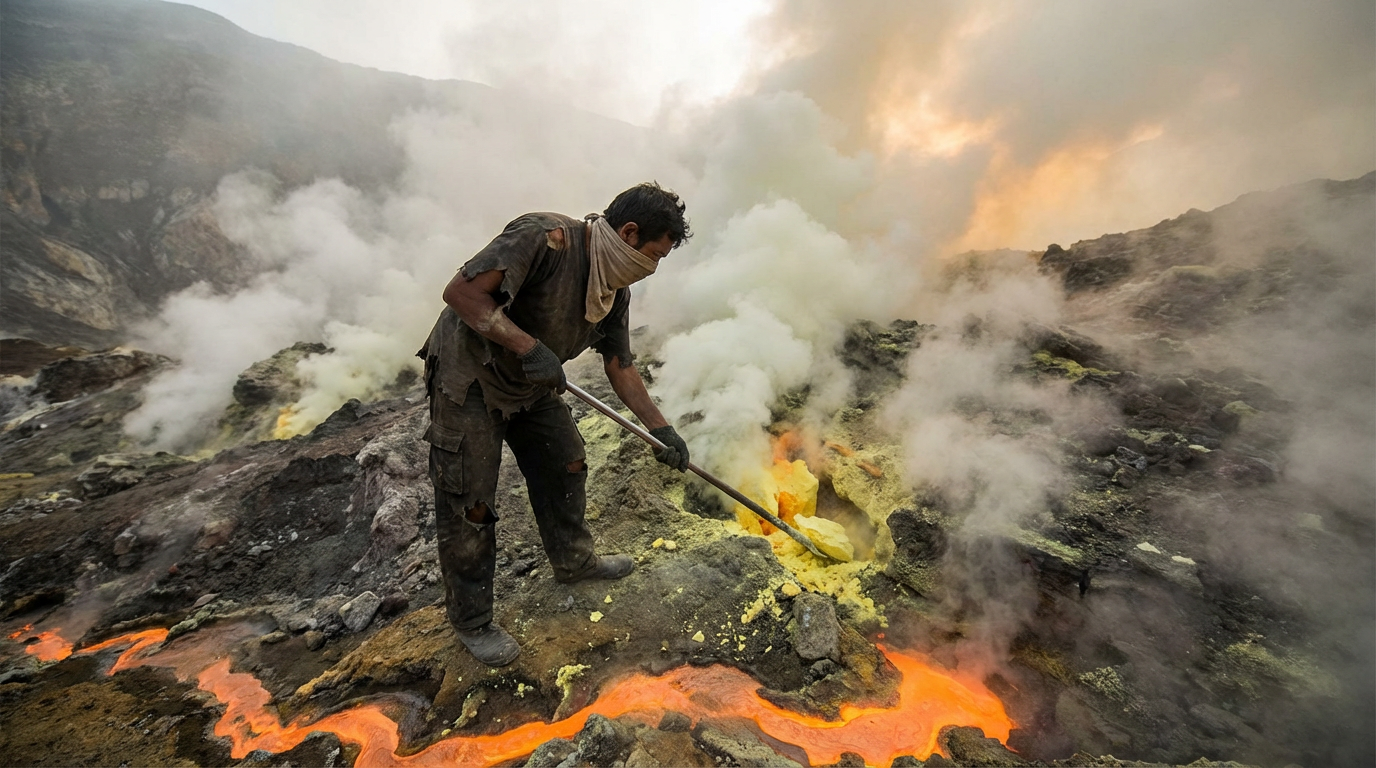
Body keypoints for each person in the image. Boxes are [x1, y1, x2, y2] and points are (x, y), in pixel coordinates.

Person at [418, 182, 693, 666]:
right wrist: (529, 347)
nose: (653, 267)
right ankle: (472, 620)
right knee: (472, 500)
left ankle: (574, 562)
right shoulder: (545, 238)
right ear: (629, 233)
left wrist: (660, 430)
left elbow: (620, 366)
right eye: (655, 254)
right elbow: (460, 292)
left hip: (531, 384)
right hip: (471, 380)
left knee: (565, 461)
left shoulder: (613, 290)